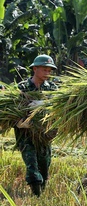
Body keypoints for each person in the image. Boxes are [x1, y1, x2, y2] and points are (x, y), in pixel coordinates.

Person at [14, 54, 58, 197]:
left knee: (44, 165)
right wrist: (19, 123)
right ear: (34, 68)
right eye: (44, 69)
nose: (47, 73)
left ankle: (42, 191)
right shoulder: (22, 87)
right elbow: (13, 109)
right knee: (32, 165)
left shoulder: (53, 88)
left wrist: (44, 104)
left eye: (49, 70)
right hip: (25, 133)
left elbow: (58, 108)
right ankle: (36, 195)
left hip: (45, 133)